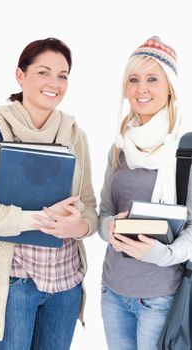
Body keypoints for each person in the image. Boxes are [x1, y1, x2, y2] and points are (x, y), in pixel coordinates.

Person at [0, 37, 97, 350]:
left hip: (66, 285)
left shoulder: (76, 135)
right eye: (44, 72)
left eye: (63, 75)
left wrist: (80, 226)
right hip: (14, 284)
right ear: (20, 76)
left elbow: (89, 206)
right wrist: (36, 220)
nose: (54, 83)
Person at [98, 36, 192, 350]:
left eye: (152, 79)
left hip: (160, 297)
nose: (142, 89)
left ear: (170, 88)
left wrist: (158, 254)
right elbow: (105, 210)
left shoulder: (185, 150)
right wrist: (108, 227)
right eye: (133, 79)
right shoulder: (120, 145)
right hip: (112, 291)